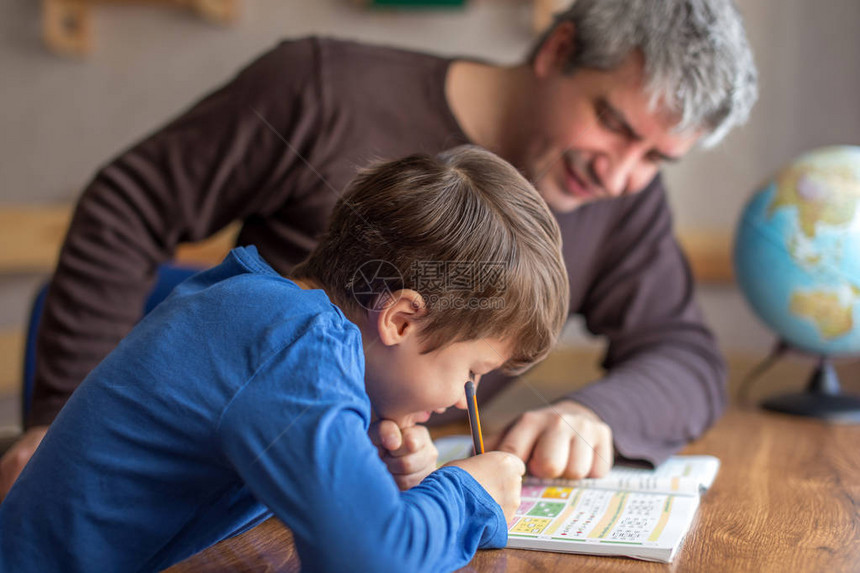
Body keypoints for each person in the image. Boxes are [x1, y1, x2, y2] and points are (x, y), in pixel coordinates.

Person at [0, 0, 758, 498]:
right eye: (615, 124)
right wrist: (62, 421)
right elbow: (127, 205)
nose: (622, 174)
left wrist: (596, 412)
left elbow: (684, 353)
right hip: (223, 483)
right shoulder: (319, 86)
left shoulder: (620, 199)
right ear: (558, 49)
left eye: (658, 158)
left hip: (367, 489)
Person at [0, 147, 569, 572]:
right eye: (472, 376)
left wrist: (366, 453)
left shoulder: (262, 307)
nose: (458, 399)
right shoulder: (301, 345)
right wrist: (465, 495)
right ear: (400, 319)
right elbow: (369, 561)